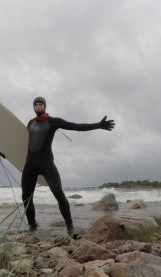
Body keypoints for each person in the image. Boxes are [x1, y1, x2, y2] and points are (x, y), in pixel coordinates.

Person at [18, 97, 115, 237]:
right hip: (30, 164)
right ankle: (32, 227)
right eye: (36, 104)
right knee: (26, 197)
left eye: (40, 104)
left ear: (44, 106)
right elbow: (21, 141)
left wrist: (98, 125)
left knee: (58, 193)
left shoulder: (53, 121)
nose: (38, 106)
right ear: (33, 107)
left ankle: (70, 227)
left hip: (46, 163)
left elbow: (75, 126)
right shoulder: (30, 123)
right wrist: (6, 152)